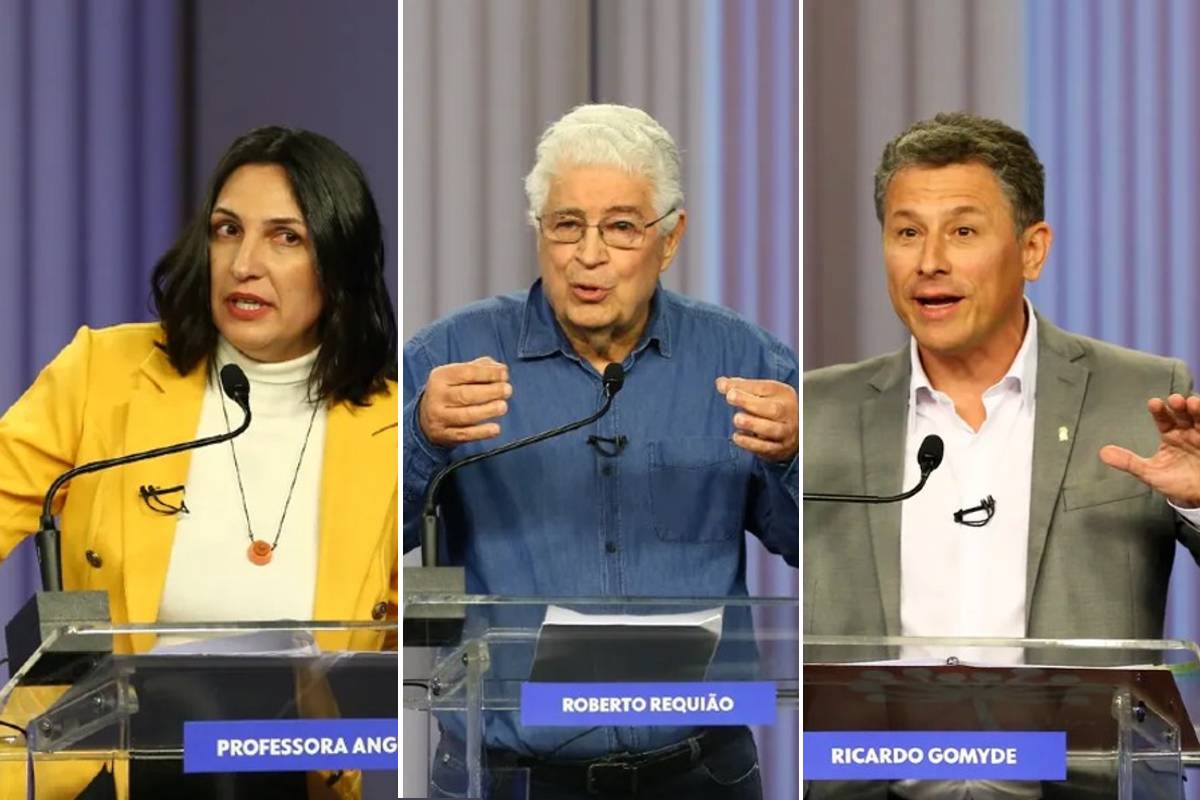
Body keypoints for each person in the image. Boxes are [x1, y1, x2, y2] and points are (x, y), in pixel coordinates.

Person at [403, 104, 798, 799]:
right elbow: (370, 540)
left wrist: (798, 455)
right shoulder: (450, 359)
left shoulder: (745, 359)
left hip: (700, 771)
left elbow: (810, 545)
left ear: (670, 239)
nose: (589, 255)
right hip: (509, 778)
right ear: (539, 234)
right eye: (566, 226)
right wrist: (421, 439)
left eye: (620, 226)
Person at [803, 112, 1200, 799]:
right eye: (906, 232)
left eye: (962, 231)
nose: (930, 261)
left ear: (1032, 249)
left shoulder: (1142, 395)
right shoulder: (819, 412)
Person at [0, 126, 397, 800]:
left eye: (286, 237)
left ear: (338, 263)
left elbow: (423, 658)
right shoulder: (106, 374)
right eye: (226, 229)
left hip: (285, 781)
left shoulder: (389, 429)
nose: (244, 263)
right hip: (91, 776)